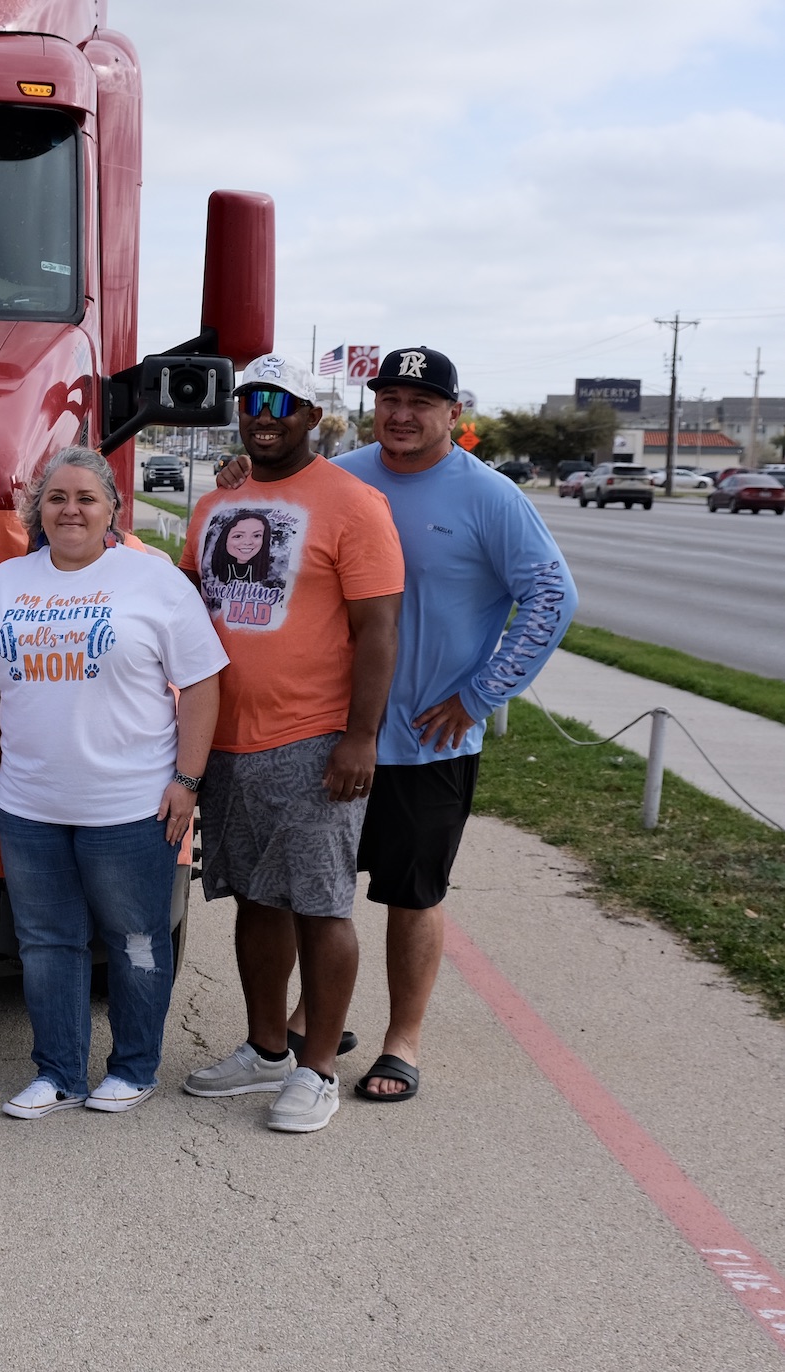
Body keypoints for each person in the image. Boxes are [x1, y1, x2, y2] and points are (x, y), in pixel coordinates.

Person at [324, 347, 576, 1103]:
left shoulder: (488, 496)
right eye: (389, 398)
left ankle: (402, 1039)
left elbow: (551, 598)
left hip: (429, 739)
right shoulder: (340, 477)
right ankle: (320, 1015)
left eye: (420, 401)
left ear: (452, 413)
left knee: (412, 893)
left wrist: (480, 694)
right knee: (319, 886)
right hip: (332, 728)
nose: (401, 414)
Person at [0, 447, 227, 1119]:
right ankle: (58, 1073)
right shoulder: (3, 585)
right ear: (38, 511)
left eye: (85, 497)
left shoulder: (154, 583)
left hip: (132, 807)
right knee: (46, 945)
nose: (70, 509)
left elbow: (201, 685)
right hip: (30, 806)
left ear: (113, 508)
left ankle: (134, 1068)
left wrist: (187, 779)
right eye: (56, 498)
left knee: (135, 939)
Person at [177, 354, 403, 1134]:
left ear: (314, 416)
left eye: (282, 402)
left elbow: (379, 631)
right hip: (226, 741)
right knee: (256, 899)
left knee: (320, 904)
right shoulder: (217, 503)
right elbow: (184, 609)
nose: (263, 414)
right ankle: (266, 1049)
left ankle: (317, 1069)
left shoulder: (354, 503)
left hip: (313, 740)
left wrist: (359, 738)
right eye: (251, 401)